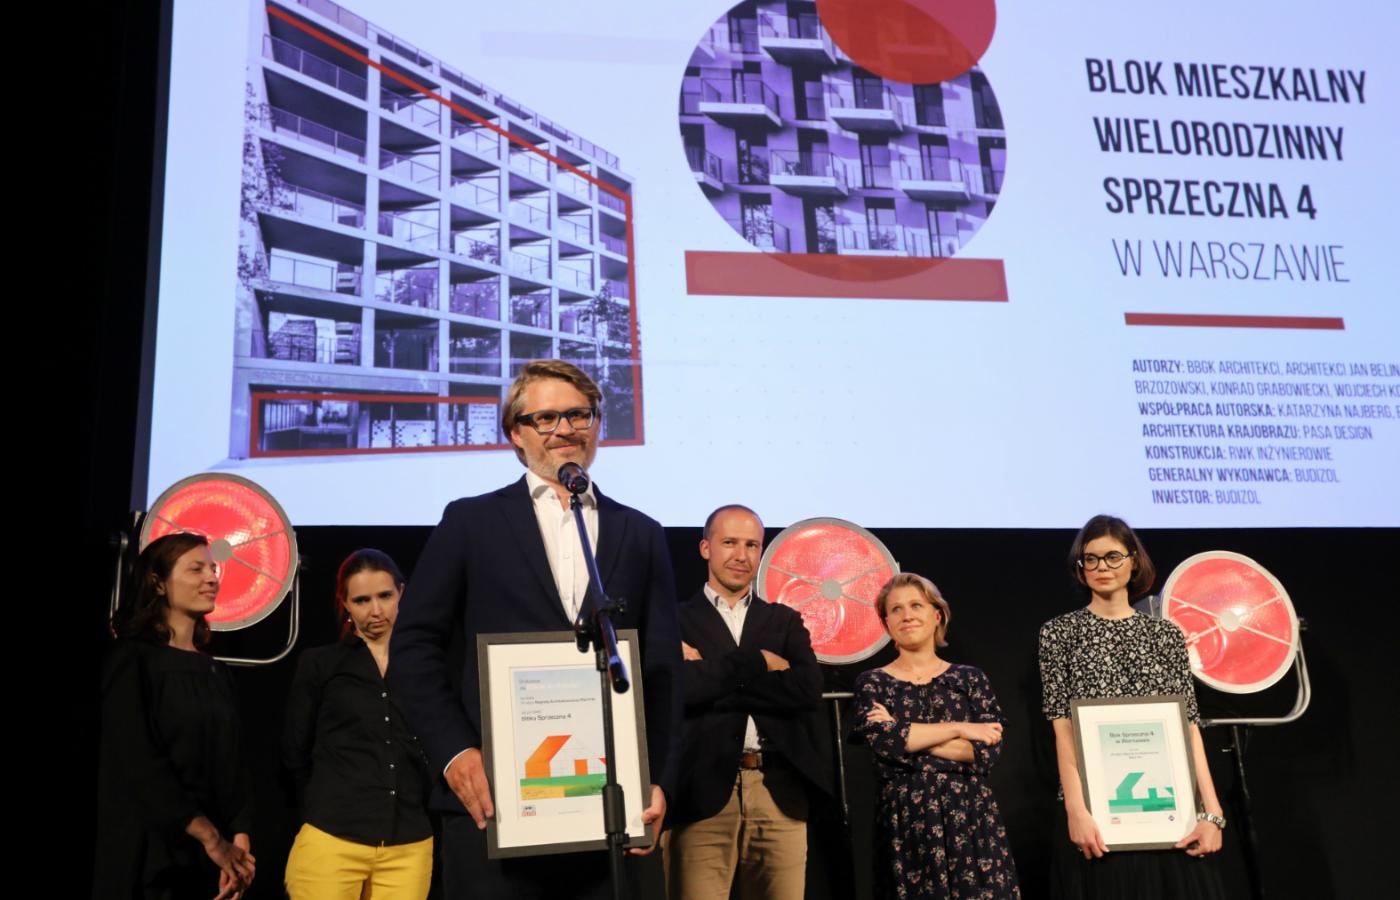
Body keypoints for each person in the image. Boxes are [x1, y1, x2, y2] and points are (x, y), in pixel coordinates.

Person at [388, 359, 682, 900]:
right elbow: (413, 646)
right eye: (545, 418)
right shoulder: (470, 522)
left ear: (597, 425)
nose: (564, 429)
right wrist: (454, 752)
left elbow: (662, 669)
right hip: (495, 806)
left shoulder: (641, 532)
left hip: (611, 811)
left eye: (578, 415)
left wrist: (658, 777)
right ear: (515, 433)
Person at [1038, 514, 1227, 899]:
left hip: (1170, 810)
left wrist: (1212, 812)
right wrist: (1076, 810)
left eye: (1112, 556)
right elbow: (1062, 728)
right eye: (1091, 559)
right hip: (1097, 813)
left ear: (1133, 560)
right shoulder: (1058, 633)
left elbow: (1189, 726)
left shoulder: (1166, 634)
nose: (1101, 567)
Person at [665, 505, 831, 900]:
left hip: (778, 795)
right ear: (705, 548)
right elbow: (680, 691)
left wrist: (713, 674)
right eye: (729, 542)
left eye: (752, 545)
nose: (741, 555)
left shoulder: (783, 620)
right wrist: (758, 663)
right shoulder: (673, 620)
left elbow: (806, 690)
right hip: (700, 794)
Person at [94, 533, 256, 900]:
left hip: (210, 862)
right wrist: (209, 837)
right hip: (151, 856)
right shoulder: (132, 661)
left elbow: (235, 763)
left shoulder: (215, 671)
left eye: (213, 569)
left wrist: (240, 838)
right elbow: (139, 761)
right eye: (196, 569)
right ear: (158, 583)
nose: (211, 578)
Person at [856, 573, 1020, 899]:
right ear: (886, 623)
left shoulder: (970, 679)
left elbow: (984, 753)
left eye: (916, 605)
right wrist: (960, 728)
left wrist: (904, 731)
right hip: (907, 825)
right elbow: (884, 743)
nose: (907, 615)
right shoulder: (873, 682)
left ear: (937, 615)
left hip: (970, 820)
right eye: (896, 609)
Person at [282, 549, 433, 899]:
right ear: (345, 604)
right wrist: (322, 808)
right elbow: (294, 751)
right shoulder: (321, 664)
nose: (376, 610)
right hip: (332, 838)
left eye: (385, 596)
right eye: (362, 600)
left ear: (401, 593)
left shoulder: (425, 666)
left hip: (408, 842)